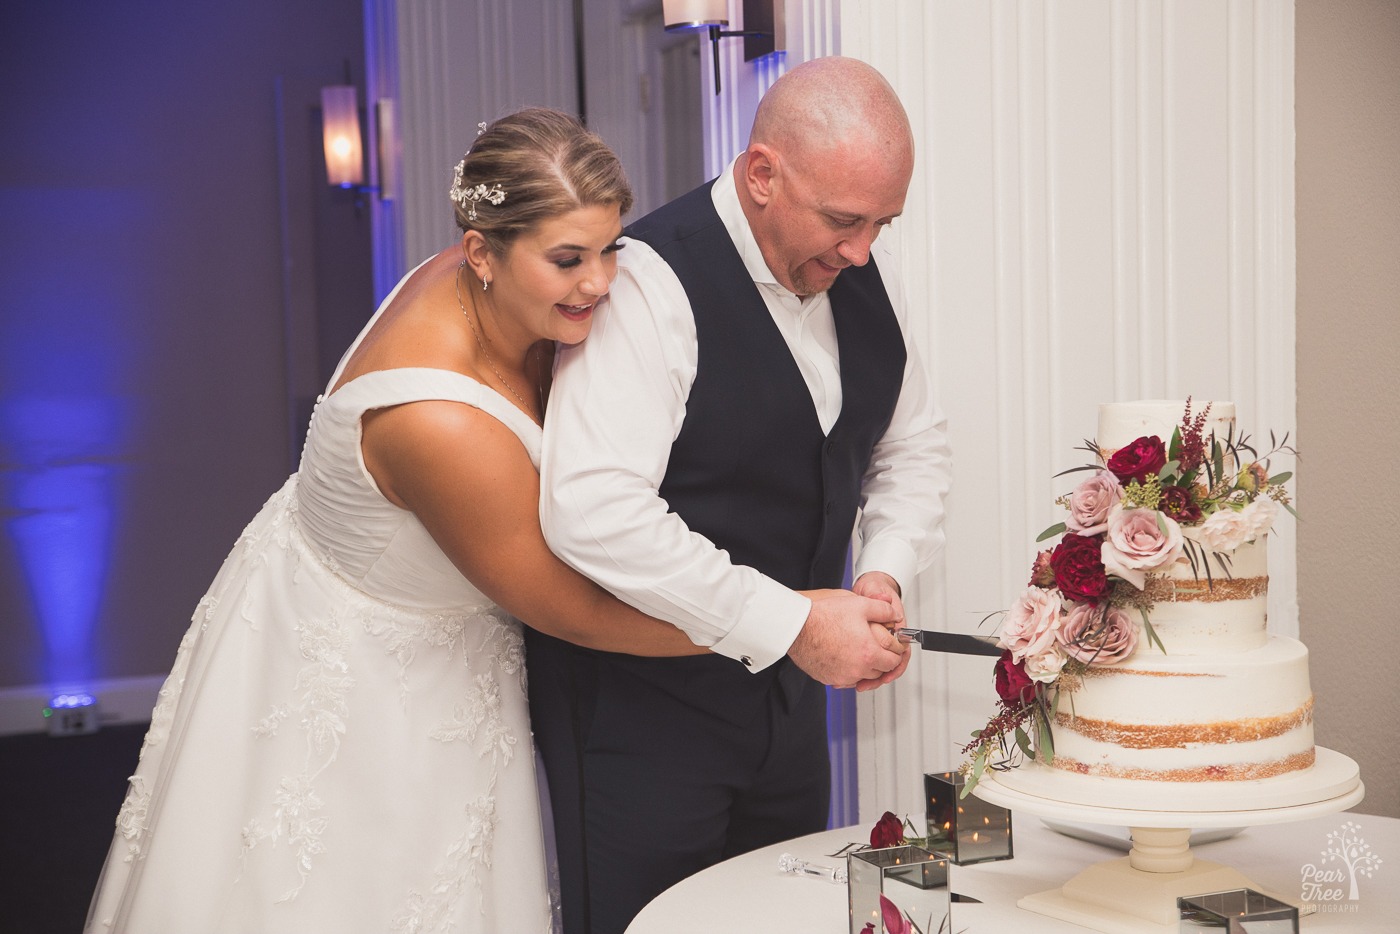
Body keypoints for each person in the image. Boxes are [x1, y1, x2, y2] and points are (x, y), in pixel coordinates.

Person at [85, 108, 813, 934]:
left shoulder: (507, 282)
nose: (601, 282)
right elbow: (573, 610)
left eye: (611, 248)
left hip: (443, 630)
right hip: (371, 674)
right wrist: (783, 625)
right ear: (482, 255)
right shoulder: (439, 422)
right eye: (569, 259)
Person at [530, 57, 953, 934]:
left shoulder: (862, 268)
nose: (863, 250)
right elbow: (593, 509)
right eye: (843, 219)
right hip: (641, 726)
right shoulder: (648, 281)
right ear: (762, 174)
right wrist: (797, 622)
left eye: (883, 223)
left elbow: (908, 445)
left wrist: (883, 572)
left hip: (790, 721)